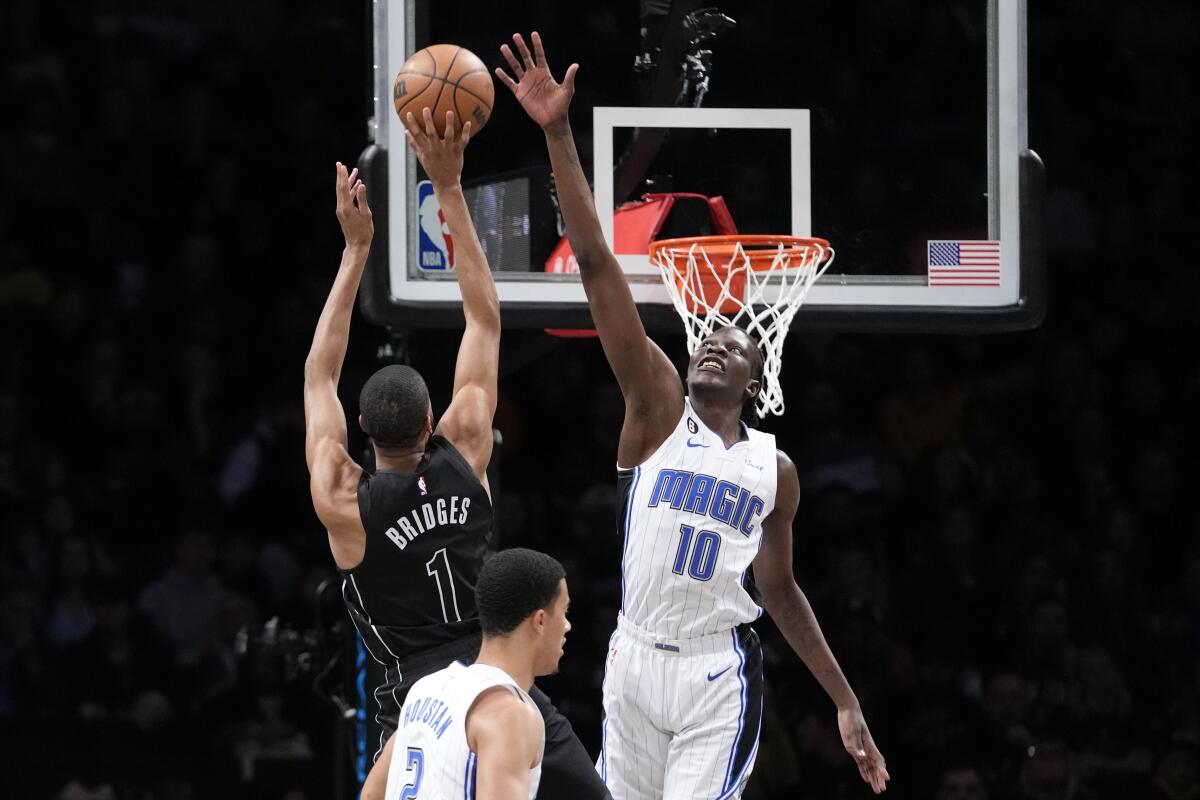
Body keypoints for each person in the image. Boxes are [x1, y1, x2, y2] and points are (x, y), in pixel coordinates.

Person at [497, 32, 891, 799]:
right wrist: (554, 132)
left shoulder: (771, 468)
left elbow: (780, 591)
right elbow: (598, 261)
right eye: (707, 334)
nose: (714, 344)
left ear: (757, 374)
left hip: (719, 667)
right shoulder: (654, 410)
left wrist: (844, 700)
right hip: (635, 658)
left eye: (733, 343)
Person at [303, 109, 608, 800]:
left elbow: (317, 374)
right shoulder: (467, 445)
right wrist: (447, 187)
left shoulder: (343, 498)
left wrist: (355, 253)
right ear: (434, 419)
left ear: (359, 430)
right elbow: (484, 314)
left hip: (416, 706)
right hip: (492, 680)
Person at [361, 548, 571, 800]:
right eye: (564, 612)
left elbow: (372, 794)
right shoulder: (510, 714)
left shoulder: (424, 688)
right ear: (540, 620)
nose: (567, 625)